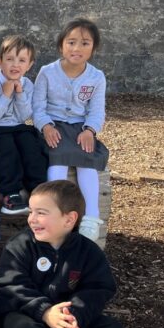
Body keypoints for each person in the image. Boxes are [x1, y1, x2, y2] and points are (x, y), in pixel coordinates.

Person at [0, 180, 147, 328]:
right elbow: (11, 284)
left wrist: (73, 316)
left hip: (64, 322)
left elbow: (99, 288)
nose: (32, 219)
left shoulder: (88, 252)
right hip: (26, 316)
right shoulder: (20, 246)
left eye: (41, 213)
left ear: (69, 219)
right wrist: (45, 312)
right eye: (31, 212)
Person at [32, 18, 109, 243]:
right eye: (71, 42)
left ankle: (91, 217)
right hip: (52, 126)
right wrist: (45, 126)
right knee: (57, 160)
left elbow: (96, 111)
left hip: (79, 129)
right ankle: (54, 213)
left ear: (93, 48)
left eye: (85, 43)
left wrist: (90, 130)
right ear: (61, 45)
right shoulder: (47, 72)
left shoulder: (96, 77)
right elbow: (37, 107)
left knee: (87, 162)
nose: (77, 48)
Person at [0, 35, 47, 214]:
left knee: (31, 146)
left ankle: (38, 190)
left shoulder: (27, 84)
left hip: (18, 126)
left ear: (29, 65)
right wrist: (5, 95)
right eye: (9, 59)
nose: (15, 65)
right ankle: (11, 193)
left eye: (22, 60)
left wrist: (19, 94)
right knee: (6, 149)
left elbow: (24, 115)